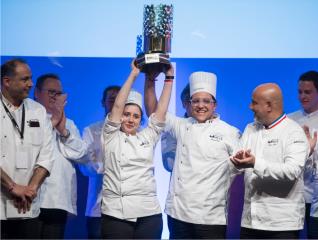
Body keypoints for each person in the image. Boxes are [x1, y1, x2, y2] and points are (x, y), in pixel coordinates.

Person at [145, 71, 241, 239]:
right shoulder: (182, 125)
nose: (200, 105)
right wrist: (151, 79)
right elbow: (154, 111)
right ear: (189, 103)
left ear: (214, 105)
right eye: (195, 101)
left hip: (211, 217)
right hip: (178, 214)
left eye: (206, 101)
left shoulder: (230, 132)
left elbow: (241, 163)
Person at [100, 60, 173, 239]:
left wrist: (169, 78)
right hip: (116, 213)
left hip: (149, 213)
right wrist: (133, 75)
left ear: (141, 120)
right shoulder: (110, 135)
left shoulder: (147, 136)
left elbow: (160, 112)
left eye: (136, 116)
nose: (131, 120)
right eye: (126, 114)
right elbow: (117, 105)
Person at [230, 83, 310, 239]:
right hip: (250, 221)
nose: (250, 106)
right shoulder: (250, 129)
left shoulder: (293, 131)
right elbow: (238, 162)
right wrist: (237, 162)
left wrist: (254, 163)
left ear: (268, 105)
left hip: (281, 225)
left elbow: (292, 171)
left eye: (254, 102)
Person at [0, 58, 55, 239]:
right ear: (7, 82)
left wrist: (30, 189)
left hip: (28, 204)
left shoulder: (38, 111)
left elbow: (47, 154)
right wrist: (13, 187)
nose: (31, 84)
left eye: (31, 79)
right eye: (25, 79)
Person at [34, 73, 88, 239]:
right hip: (31, 198)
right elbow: (33, 149)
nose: (55, 97)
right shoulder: (28, 118)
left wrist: (63, 132)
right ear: (36, 93)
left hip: (57, 200)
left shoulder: (69, 123)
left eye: (58, 93)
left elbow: (81, 154)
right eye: (51, 92)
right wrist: (52, 124)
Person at [78, 85, 120, 239]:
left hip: (128, 209)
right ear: (103, 103)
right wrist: (103, 166)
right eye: (111, 100)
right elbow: (85, 167)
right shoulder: (91, 130)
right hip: (98, 207)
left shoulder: (133, 130)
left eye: (119, 100)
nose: (115, 103)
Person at [288, 71, 318, 239]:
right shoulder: (290, 120)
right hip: (294, 193)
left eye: (308, 92)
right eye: (300, 92)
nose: (302, 96)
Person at [160, 83, 191, 172]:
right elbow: (169, 164)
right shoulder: (172, 127)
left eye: (205, 101)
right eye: (193, 101)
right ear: (184, 103)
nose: (200, 105)